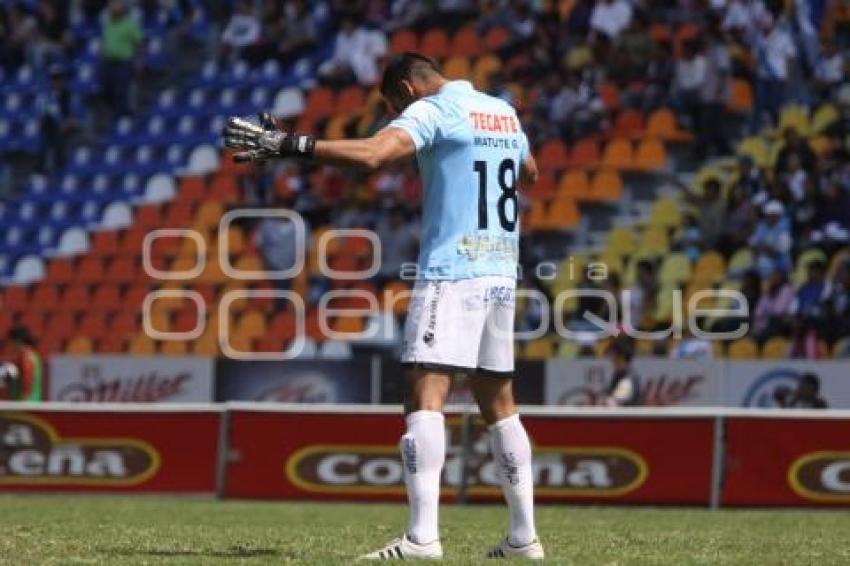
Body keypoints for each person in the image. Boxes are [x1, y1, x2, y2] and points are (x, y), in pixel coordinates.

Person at [224, 53, 543, 560]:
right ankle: (524, 537)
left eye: (394, 106)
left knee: (423, 397)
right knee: (501, 407)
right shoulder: (502, 110)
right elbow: (529, 172)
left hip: (452, 272)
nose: (396, 115)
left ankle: (422, 538)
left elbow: (375, 154)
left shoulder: (434, 109)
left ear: (407, 91)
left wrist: (289, 144)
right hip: (502, 271)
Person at [99, 0, 143, 118]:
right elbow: (105, 42)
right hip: (108, 62)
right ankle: (113, 114)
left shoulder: (130, 24)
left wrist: (138, 62)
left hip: (123, 62)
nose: (113, 7)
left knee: (120, 90)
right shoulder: (107, 23)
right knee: (106, 88)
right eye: (111, 4)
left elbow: (138, 44)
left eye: (116, 4)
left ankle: (121, 118)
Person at [3, 326, 43, 402]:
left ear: (17, 341)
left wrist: (22, 400)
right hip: (30, 403)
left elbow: (27, 378)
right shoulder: (33, 355)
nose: (7, 344)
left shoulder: (25, 357)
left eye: (9, 341)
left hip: (24, 404)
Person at [602, 335, 641, 407]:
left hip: (628, 417)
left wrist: (604, 401)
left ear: (621, 358)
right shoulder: (617, 374)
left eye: (613, 356)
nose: (611, 359)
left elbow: (614, 403)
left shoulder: (629, 378)